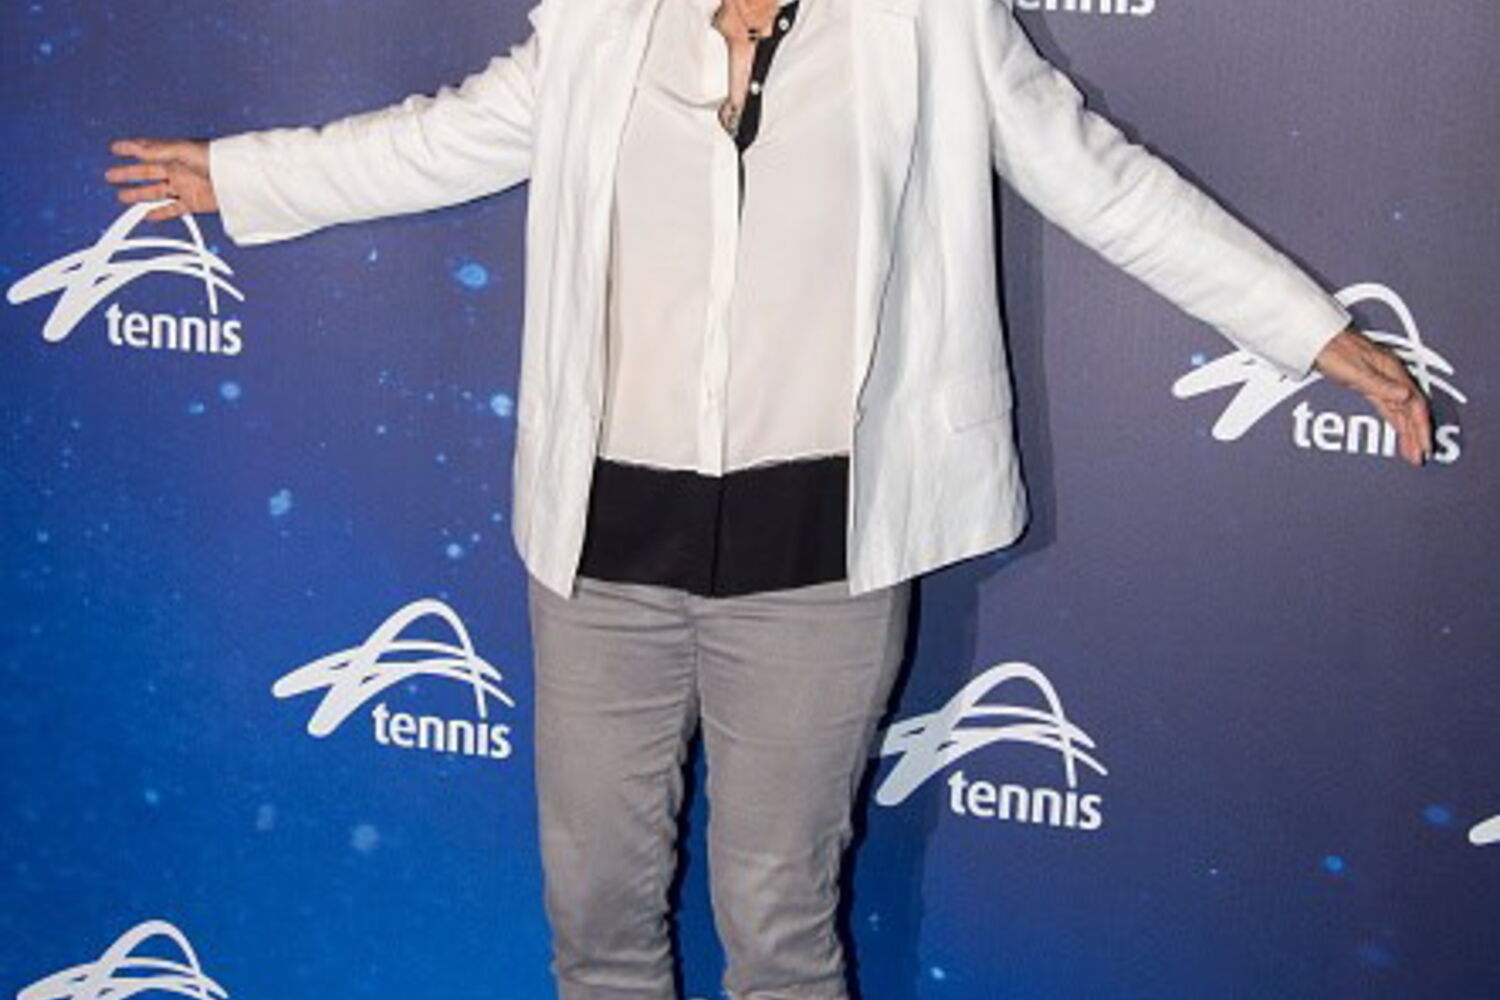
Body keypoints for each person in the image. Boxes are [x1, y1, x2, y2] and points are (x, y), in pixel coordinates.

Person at [104, 0, 1434, 996]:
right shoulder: (601, 21)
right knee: (596, 917)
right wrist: (247, 175)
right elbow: (443, 140)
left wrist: (1306, 329)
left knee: (779, 928)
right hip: (603, 552)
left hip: (817, 562)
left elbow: (1104, 182)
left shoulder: (929, 23)